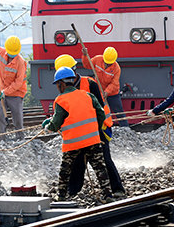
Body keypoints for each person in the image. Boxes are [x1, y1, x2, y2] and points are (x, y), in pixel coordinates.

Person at [54, 54, 125, 196]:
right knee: (77, 161)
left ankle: (117, 189)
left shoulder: (90, 84)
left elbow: (99, 108)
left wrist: (98, 129)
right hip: (79, 131)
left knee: (104, 159)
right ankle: (73, 190)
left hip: (99, 128)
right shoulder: (64, 91)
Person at [42, 67, 113, 203]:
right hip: (93, 140)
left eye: (57, 84)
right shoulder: (88, 96)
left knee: (65, 170)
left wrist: (47, 127)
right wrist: (95, 129)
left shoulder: (61, 100)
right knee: (100, 168)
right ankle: (108, 195)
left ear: (61, 84)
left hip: (73, 144)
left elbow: (56, 123)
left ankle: (61, 196)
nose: (57, 87)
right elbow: (101, 114)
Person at [82, 46, 129, 127]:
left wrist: (106, 92)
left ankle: (125, 128)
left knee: (119, 111)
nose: (107, 64)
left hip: (112, 93)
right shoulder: (97, 59)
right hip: (99, 91)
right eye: (106, 62)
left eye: (109, 63)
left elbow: (114, 83)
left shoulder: (116, 68)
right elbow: (87, 65)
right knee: (98, 111)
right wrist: (85, 55)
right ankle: (99, 128)